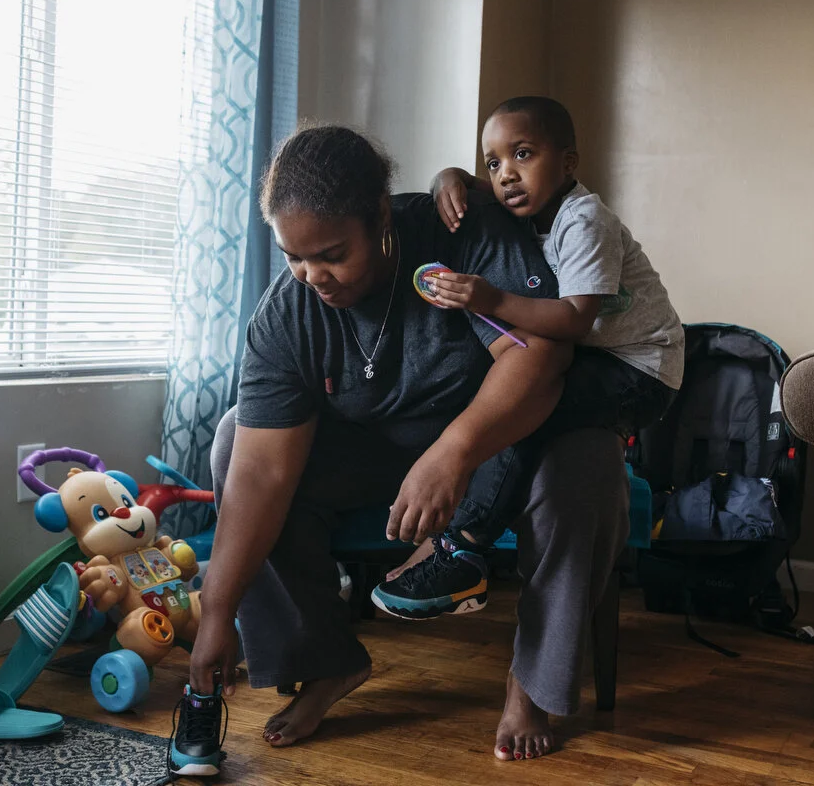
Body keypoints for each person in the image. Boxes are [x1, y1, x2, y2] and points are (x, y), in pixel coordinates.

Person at [179, 124, 628, 766]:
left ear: (381, 218)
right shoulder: (288, 312)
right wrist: (217, 611)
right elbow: (260, 473)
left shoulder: (459, 233)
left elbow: (540, 355)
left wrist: (454, 452)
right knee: (232, 440)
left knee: (589, 457)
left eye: (332, 253)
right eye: (293, 257)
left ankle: (532, 685)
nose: (313, 276)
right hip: (378, 455)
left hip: (500, 442)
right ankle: (326, 663)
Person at [372, 96, 684, 620]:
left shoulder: (584, 220)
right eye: (494, 162)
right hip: (602, 359)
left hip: (640, 368)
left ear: (567, 162)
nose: (506, 175)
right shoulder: (525, 207)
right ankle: (452, 541)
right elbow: (474, 187)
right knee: (504, 398)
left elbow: (574, 319)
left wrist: (489, 299)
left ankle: (464, 550)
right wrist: (449, 176)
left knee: (526, 414)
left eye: (523, 154)